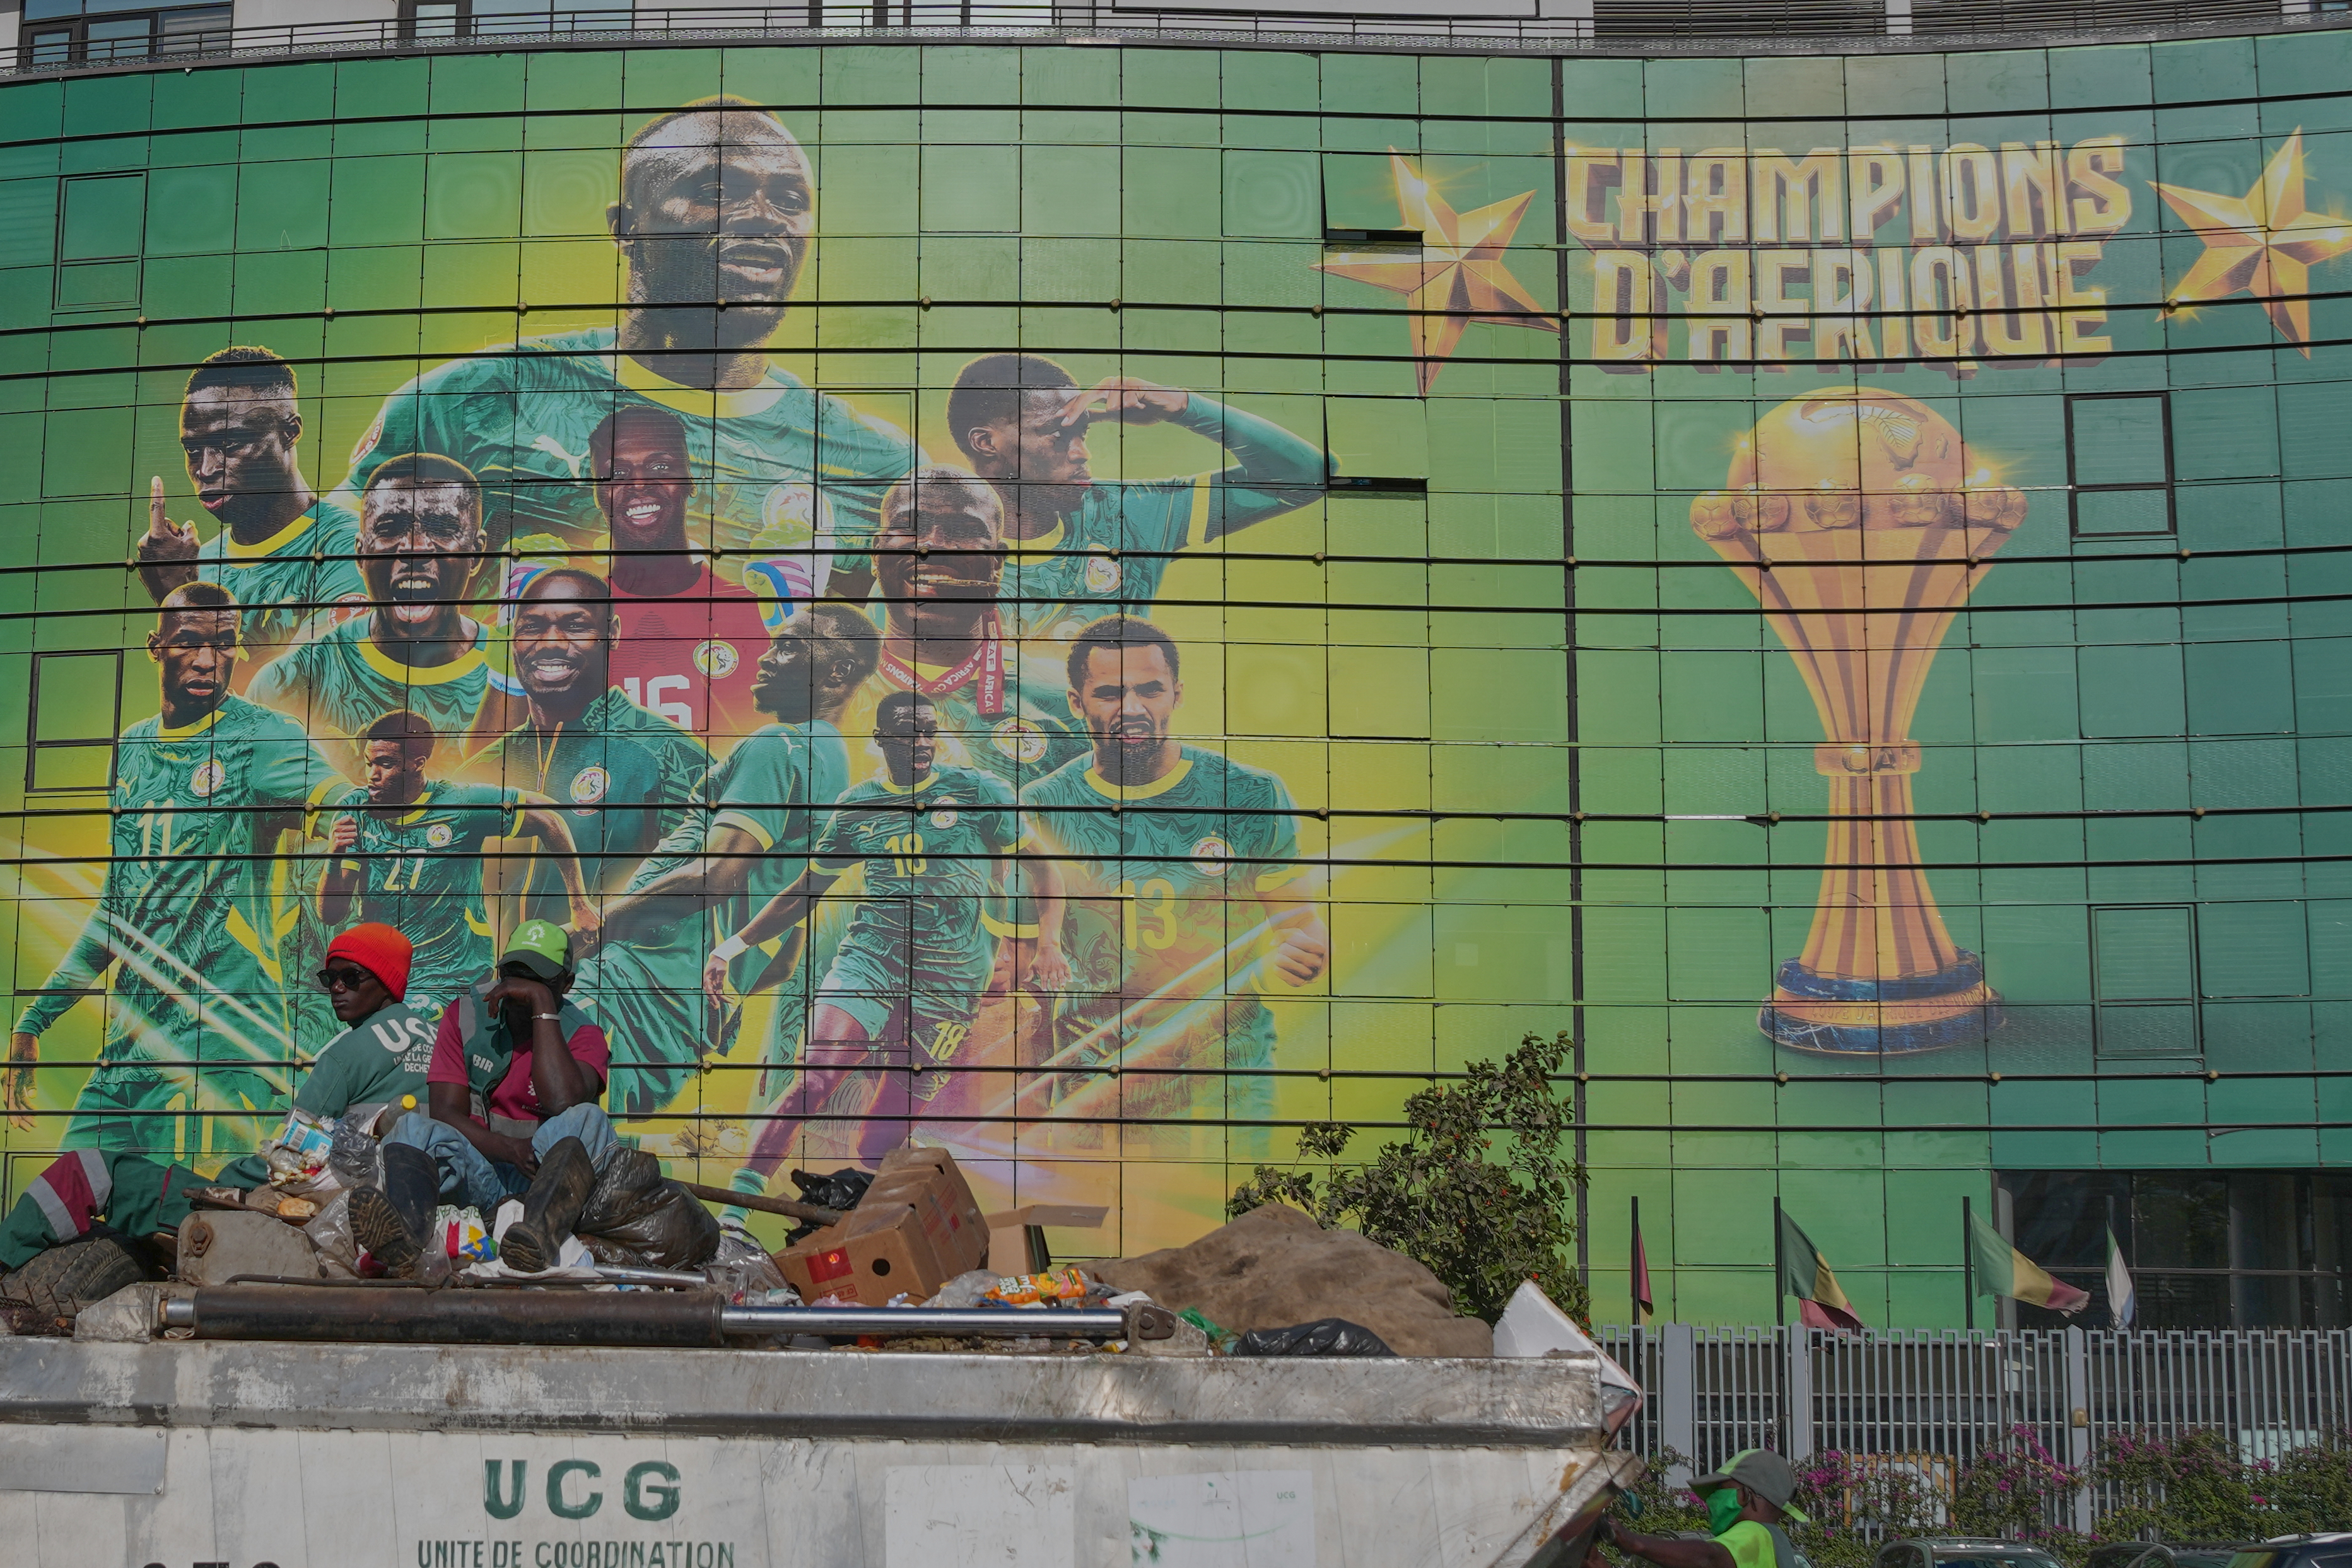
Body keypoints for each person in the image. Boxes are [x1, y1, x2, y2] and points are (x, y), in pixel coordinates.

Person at [336, 99, 916, 578]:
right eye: (718, 192)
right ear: (626, 228)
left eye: (790, 200)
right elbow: (332, 548)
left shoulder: (879, 463)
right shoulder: (472, 397)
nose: (763, 217)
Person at [6, 583, 341, 1158]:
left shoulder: (262, 736)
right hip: (126, 1052)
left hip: (211, 1051)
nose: (209, 660)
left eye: (225, 644)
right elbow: (118, 909)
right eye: (189, 642)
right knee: (52, 1220)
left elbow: (340, 799)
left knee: (179, 1235)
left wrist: (343, 818)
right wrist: (35, 1021)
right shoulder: (132, 748)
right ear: (155, 647)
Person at [1023, 616, 1325, 1132]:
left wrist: (1305, 950)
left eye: (1150, 690)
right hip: (1093, 1087)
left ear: (1176, 694)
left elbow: (1299, 924)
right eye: (1110, 693)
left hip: (1221, 1084)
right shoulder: (1039, 810)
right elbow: (1017, 962)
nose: (1132, 709)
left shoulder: (1248, 795)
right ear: (1076, 702)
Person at [575, 604, 875, 1121]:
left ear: (838, 671)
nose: (767, 659)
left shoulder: (776, 747)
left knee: (527, 1110)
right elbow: (784, 953)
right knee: (588, 1142)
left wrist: (595, 930)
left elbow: (716, 877)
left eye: (789, 646)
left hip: (627, 989)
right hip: (681, 1021)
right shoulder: (830, 760)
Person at [0, 923, 428, 1280]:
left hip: (278, 1204)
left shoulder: (346, 1054)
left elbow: (290, 1156)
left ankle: (3, 1262)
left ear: (385, 980)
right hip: (372, 1206)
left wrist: (232, 1177)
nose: (335, 988)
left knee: (88, 1171)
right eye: (328, 978)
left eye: (350, 977)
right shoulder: (436, 1044)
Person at [703, 691, 1021, 1164]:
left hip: (947, 980)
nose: (921, 741)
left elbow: (1027, 873)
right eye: (909, 731)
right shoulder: (857, 807)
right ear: (881, 737)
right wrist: (731, 947)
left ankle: (865, 1201)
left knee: (878, 1143)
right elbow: (804, 890)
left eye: (929, 731)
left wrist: (1019, 947)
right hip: (871, 961)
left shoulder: (977, 792)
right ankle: (738, 1214)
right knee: (814, 1079)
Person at [934, 354, 1326, 647]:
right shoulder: (923, 542)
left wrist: (1185, 408)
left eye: (1084, 433)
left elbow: (1304, 476)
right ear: (986, 443)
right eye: (1058, 434)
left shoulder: (1127, 514)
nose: (1082, 454)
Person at [360, 921, 621, 1276]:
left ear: (566, 985)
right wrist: (511, 1150)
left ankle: (534, 1239)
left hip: (546, 1187)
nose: (520, 989)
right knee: (412, 1127)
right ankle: (404, 1237)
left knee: (590, 1119)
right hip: (483, 1176)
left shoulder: (584, 1034)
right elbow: (445, 1113)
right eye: (514, 974)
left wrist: (542, 1007)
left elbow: (562, 1101)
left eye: (537, 980)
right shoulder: (466, 1015)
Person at [317, 711, 598, 1014]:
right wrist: (334, 856)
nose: (372, 774)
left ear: (417, 764)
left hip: (451, 973)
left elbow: (550, 818)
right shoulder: (354, 810)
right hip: (386, 972)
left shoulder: (459, 804)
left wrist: (579, 904)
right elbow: (331, 914)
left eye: (386, 764)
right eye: (370, 763)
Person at [831, 466, 1087, 798]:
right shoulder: (821, 687)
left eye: (964, 530)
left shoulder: (1065, 703)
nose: (932, 545)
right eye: (912, 526)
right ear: (876, 553)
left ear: (997, 562)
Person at [470, 568, 711, 910]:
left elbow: (709, 895)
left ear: (611, 634)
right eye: (532, 627)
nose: (551, 642)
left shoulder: (668, 757)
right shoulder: (486, 766)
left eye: (575, 625)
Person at [249, 453, 507, 751]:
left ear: (475, 553)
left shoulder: (519, 676)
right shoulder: (287, 684)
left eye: (440, 528)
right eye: (389, 528)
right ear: (360, 554)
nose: (414, 547)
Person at [133, 346, 366, 675]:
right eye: (193, 450)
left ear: (290, 433)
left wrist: (175, 598)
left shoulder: (355, 550)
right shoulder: (198, 569)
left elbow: (294, 699)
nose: (205, 468)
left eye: (229, 445)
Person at [1591, 1450, 1813, 1568]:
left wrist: (1631, 1541)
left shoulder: (1756, 1532)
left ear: (1745, 1495)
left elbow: (1709, 1558)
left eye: (1720, 1491)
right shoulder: (1777, 1545)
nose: (1713, 1502)